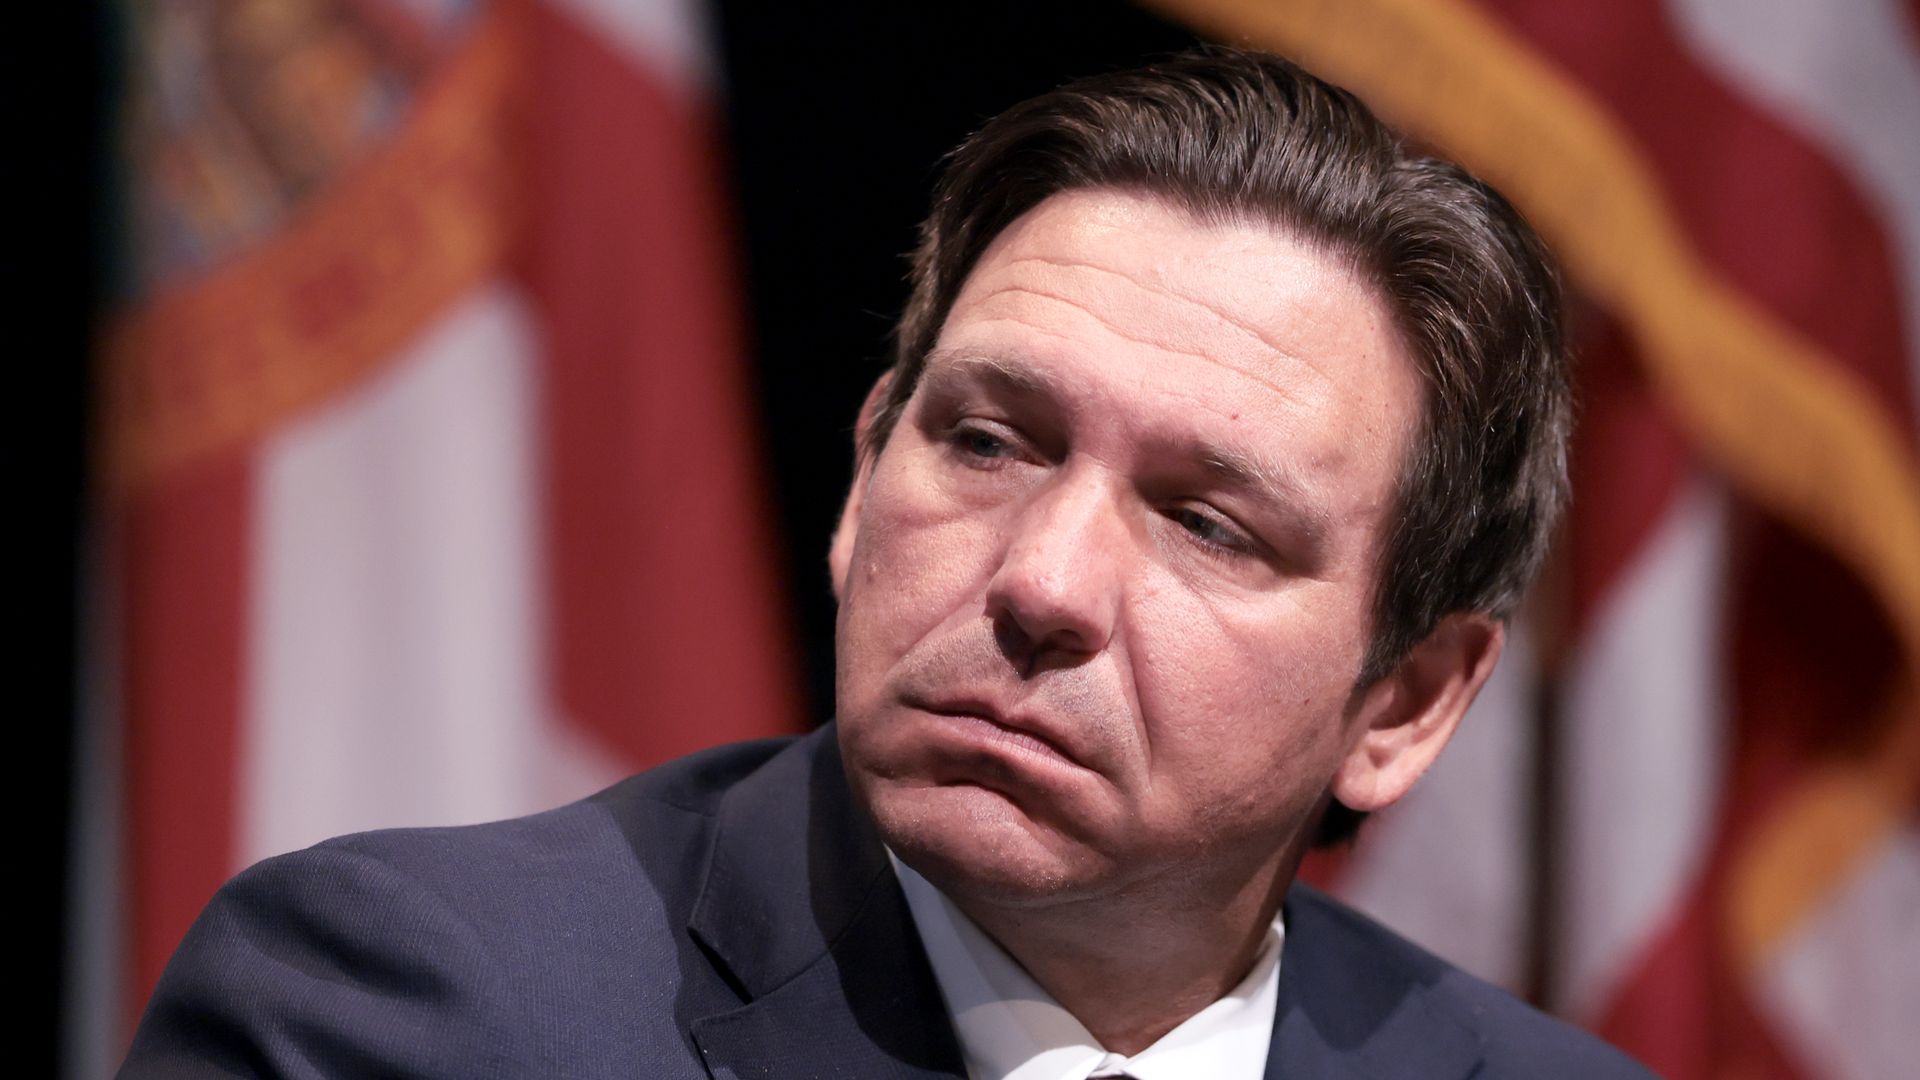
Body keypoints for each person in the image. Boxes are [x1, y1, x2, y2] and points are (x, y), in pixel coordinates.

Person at [123, 49, 1652, 1078]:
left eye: (1207, 524)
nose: (1041, 586)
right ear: (863, 479)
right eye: (989, 443)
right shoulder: (412, 1016)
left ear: (1409, 701)